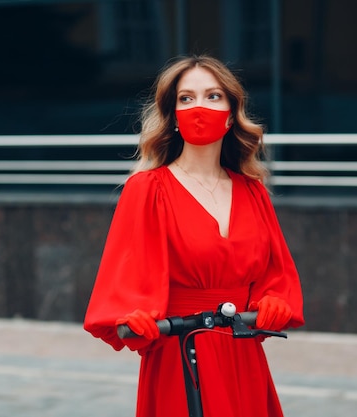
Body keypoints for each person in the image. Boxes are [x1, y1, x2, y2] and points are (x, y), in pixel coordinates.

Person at [83, 55, 305, 417]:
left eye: (212, 96)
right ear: (172, 115)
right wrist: (131, 315)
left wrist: (273, 300)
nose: (199, 106)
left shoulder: (253, 192)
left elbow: (276, 273)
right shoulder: (146, 189)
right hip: (178, 352)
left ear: (232, 113)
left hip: (242, 353)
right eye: (186, 98)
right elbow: (121, 278)